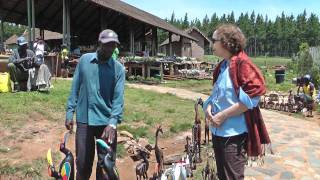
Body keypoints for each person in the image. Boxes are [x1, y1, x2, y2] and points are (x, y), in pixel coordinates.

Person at [203, 24, 271, 180]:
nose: (212, 44)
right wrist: (209, 107)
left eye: (214, 40)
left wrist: (223, 115)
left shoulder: (242, 64)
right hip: (217, 131)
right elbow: (217, 94)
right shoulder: (223, 66)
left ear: (225, 42)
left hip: (234, 135)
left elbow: (253, 98)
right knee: (223, 176)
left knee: (233, 177)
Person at [65, 29, 125, 179]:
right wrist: (69, 112)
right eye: (107, 45)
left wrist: (112, 123)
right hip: (84, 120)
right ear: (99, 44)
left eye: (113, 46)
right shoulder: (85, 61)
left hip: (106, 124)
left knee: (106, 166)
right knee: (83, 164)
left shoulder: (118, 69)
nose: (111, 49)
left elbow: (118, 99)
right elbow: (75, 88)